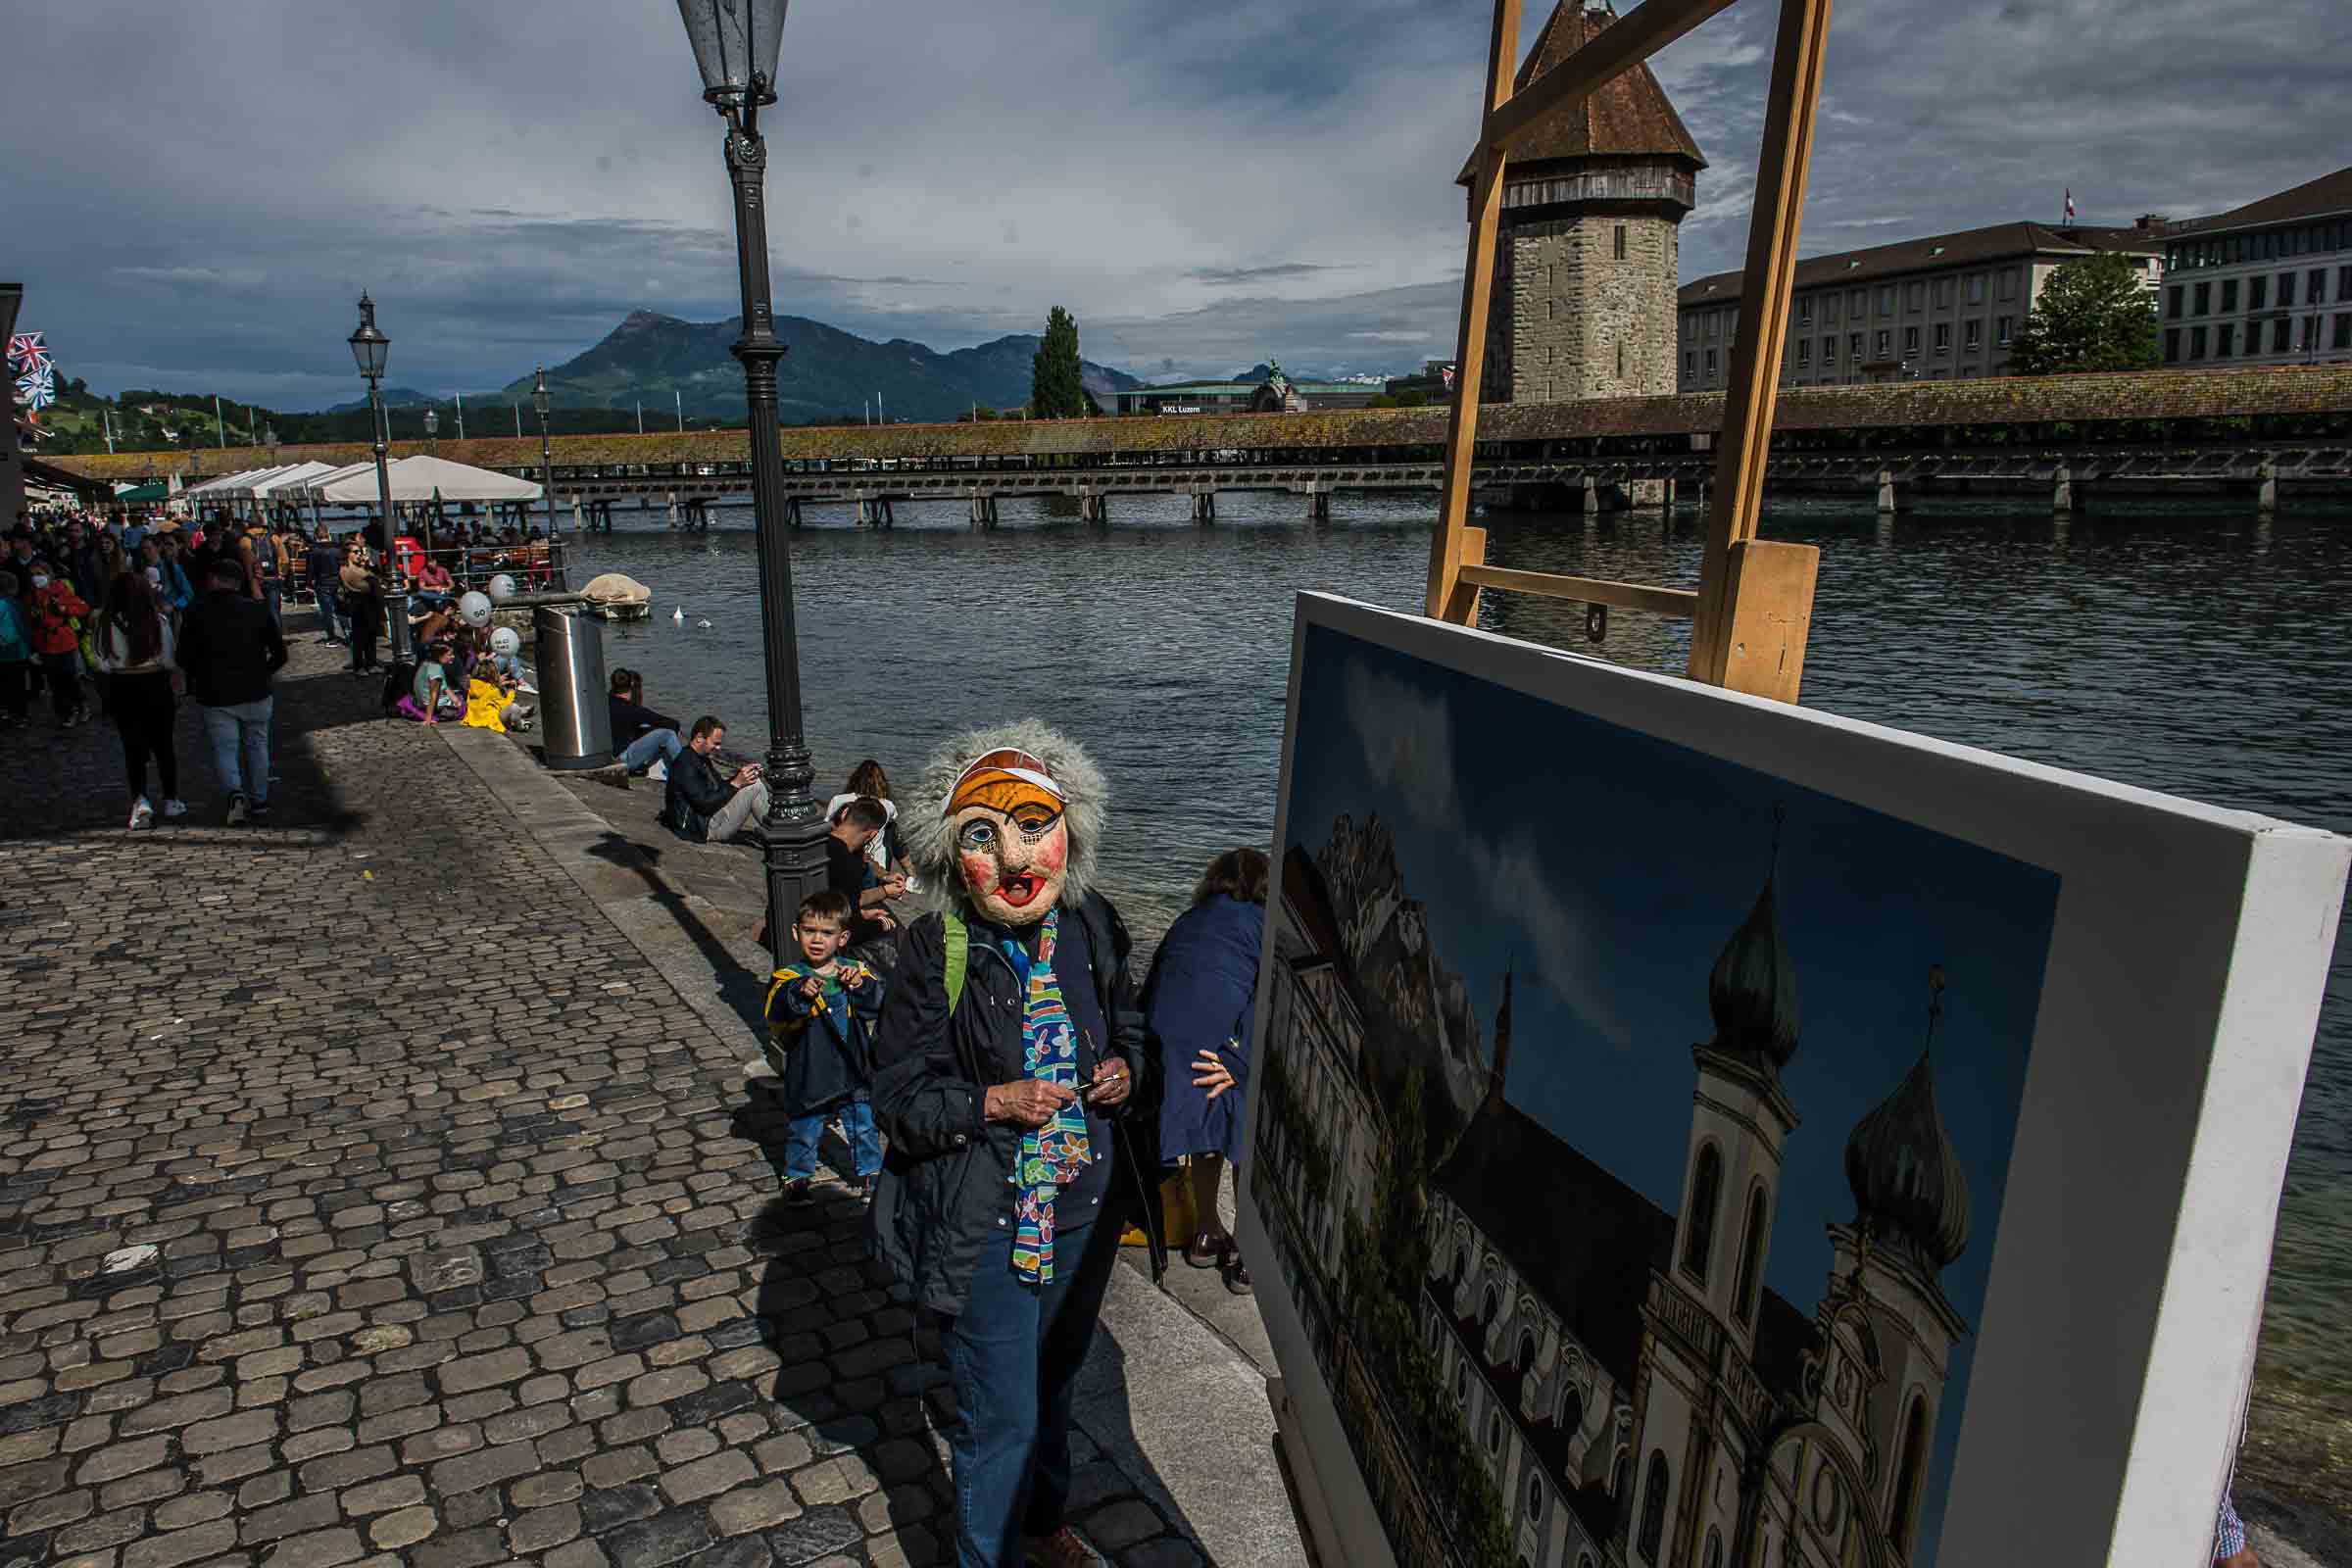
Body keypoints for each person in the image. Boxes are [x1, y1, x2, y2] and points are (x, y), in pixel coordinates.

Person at [867, 725, 1164, 1568]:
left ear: (1072, 829)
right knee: (1000, 1415)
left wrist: (1124, 1071)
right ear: (947, 849)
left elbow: (1130, 1020)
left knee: (1056, 1379)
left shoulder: (1093, 923)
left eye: (1035, 826)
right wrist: (992, 1101)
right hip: (989, 1219)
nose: (1014, 857)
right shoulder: (937, 948)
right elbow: (897, 1098)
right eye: (981, 837)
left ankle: (1042, 1521)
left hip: (1082, 1205)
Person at [1144, 847, 1268, 1294]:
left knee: (1206, 1123)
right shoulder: (1261, 925)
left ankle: (1206, 1232)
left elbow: (1157, 977)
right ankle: (1249, 1257)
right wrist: (1240, 1058)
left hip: (1169, 1038)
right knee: (1247, 1129)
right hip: (1216, 1032)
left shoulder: (1188, 919)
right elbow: (1268, 997)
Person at [762, 888, 886, 1204]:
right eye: (809, 931)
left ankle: (871, 1172)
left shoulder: (854, 971)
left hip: (853, 1065)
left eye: (827, 933)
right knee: (805, 1125)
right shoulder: (789, 976)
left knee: (863, 1122)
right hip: (812, 1066)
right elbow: (776, 1009)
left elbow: (880, 1004)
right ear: (796, 933)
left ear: (842, 938)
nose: (817, 939)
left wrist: (861, 986)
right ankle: (798, 1175)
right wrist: (799, 993)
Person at [177, 558, 287, 825]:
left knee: (225, 748)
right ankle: (260, 799)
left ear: (214, 580)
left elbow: (183, 656)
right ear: (238, 583)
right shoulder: (257, 611)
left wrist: (199, 674)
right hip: (255, 689)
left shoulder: (196, 611)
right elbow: (280, 653)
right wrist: (263, 671)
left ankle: (235, 794)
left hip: (215, 692)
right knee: (257, 745)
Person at [95, 571, 185, 829]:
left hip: (122, 686)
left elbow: (102, 662)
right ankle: (171, 799)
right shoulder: (157, 621)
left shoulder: (105, 624)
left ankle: (140, 800)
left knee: (133, 748)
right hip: (154, 683)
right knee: (164, 746)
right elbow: (169, 659)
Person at [662, 715, 769, 844]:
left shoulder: (700, 758)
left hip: (706, 820)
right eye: (715, 743)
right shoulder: (685, 764)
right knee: (754, 786)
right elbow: (704, 803)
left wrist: (741, 775)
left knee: (751, 780)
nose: (718, 748)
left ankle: (774, 827)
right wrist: (737, 783)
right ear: (699, 738)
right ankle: (778, 831)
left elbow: (718, 787)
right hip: (702, 828)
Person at [827, 798, 904, 956]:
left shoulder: (821, 841)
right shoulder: (847, 864)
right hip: (830, 935)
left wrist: (862, 914)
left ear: (845, 813)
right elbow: (852, 930)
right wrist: (879, 925)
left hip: (815, 917)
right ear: (872, 835)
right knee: (897, 934)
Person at [825, 759, 915, 890]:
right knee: (891, 828)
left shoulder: (838, 800)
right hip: (874, 865)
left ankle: (911, 876)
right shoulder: (887, 806)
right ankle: (912, 875)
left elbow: (827, 827)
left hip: (841, 858)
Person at [25, 560, 90, 728]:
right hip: (44, 643)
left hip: (64, 641)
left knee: (69, 676)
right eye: (33, 575)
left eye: (39, 574)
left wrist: (64, 609)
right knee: (54, 682)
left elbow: (82, 608)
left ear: (48, 574)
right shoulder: (31, 595)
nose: (36, 578)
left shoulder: (60, 590)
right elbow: (28, 621)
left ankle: (81, 704)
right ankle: (66, 713)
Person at [608, 668, 684, 776]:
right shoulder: (631, 710)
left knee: (647, 726)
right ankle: (687, 770)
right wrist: (678, 728)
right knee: (668, 734)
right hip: (622, 760)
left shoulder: (605, 701)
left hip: (608, 755)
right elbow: (667, 723)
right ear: (631, 685)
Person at [340, 545, 385, 675]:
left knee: (371, 635)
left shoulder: (362, 568)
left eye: (360, 552)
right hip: (358, 604)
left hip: (370, 604)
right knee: (359, 637)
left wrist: (368, 565)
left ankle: (372, 663)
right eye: (355, 552)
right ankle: (359, 666)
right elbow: (365, 585)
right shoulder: (346, 569)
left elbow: (377, 576)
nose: (359, 554)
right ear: (347, 554)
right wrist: (372, 579)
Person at [408, 639, 465, 724]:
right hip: (433, 706)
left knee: (458, 698)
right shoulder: (436, 671)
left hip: (422, 702)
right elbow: (433, 695)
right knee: (465, 703)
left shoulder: (426, 663)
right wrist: (428, 718)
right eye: (449, 655)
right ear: (439, 656)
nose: (453, 657)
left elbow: (444, 687)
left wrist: (455, 700)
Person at [0, 570, 29, 727]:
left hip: (3, 653)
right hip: (17, 651)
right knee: (17, 686)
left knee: (4, 685)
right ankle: (20, 715)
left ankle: (6, 712)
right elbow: (22, 628)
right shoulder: (14, 605)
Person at [307, 529, 343, 643]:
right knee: (341, 609)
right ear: (328, 534)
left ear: (316, 536)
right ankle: (348, 632)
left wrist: (308, 583)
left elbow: (310, 569)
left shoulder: (314, 550)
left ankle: (332, 637)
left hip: (322, 582)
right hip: (337, 580)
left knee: (327, 611)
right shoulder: (338, 548)